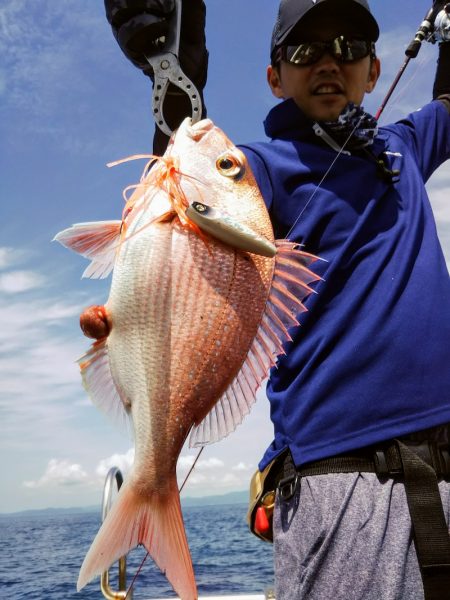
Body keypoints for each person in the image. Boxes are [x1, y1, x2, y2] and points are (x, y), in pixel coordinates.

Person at [94, 1, 450, 598]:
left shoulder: (403, 149)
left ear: (373, 69)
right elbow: (188, 190)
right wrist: (173, 74)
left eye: (349, 46)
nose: (329, 61)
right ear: (275, 78)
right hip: (340, 479)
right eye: (304, 50)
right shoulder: (257, 169)